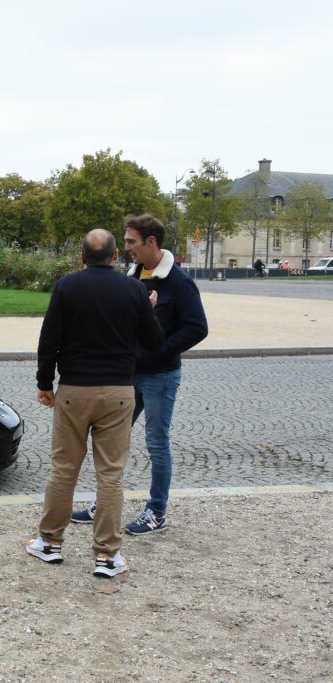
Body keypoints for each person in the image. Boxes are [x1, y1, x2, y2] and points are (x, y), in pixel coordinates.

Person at [27, 228, 165, 578]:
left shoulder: (67, 287)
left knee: (63, 469)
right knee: (110, 474)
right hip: (118, 391)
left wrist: (45, 383)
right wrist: (148, 310)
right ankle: (106, 555)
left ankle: (50, 542)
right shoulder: (134, 290)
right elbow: (153, 342)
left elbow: (50, 339)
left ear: (83, 257)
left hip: (75, 389)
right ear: (116, 256)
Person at [72, 214, 208, 535]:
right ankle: (104, 502)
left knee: (157, 444)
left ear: (150, 242)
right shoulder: (132, 275)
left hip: (160, 377)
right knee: (110, 440)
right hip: (128, 375)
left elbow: (197, 328)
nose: (127, 247)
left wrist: (160, 349)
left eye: (132, 241)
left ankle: (156, 512)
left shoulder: (179, 282)